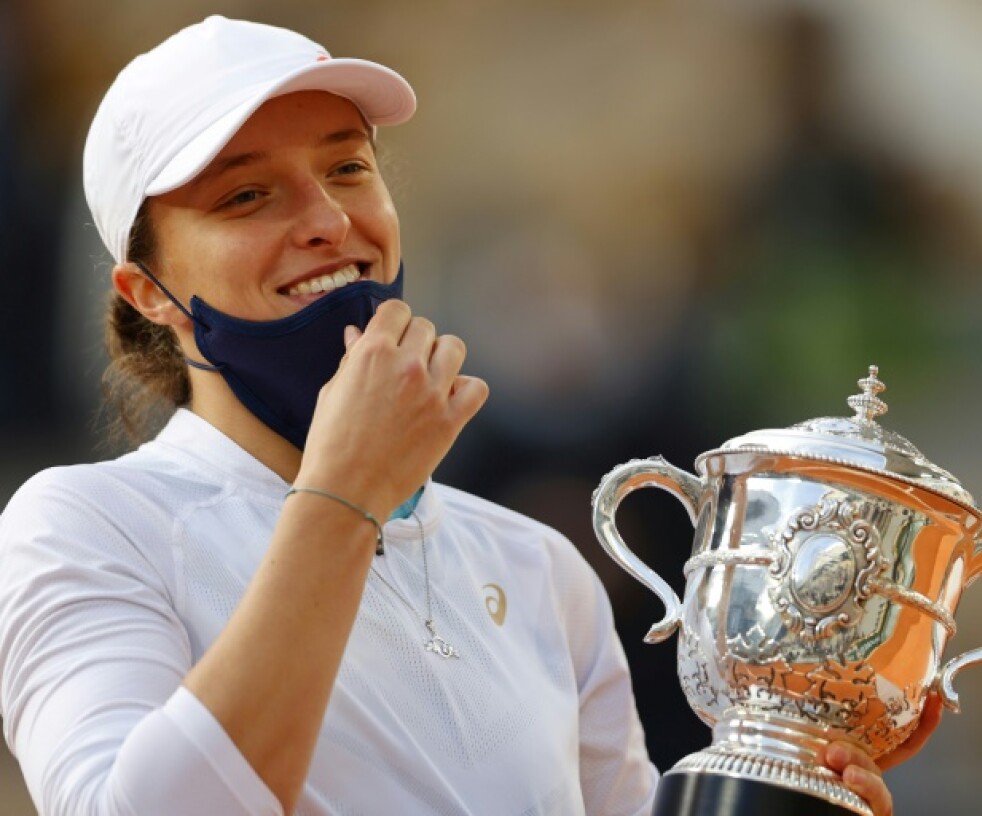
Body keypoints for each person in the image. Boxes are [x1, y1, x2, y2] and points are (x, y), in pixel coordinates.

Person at [0, 16, 933, 816]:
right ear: (148, 291)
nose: (328, 219)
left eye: (347, 168)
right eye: (247, 195)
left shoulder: (537, 567)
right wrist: (345, 493)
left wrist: (784, 791)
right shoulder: (84, 526)